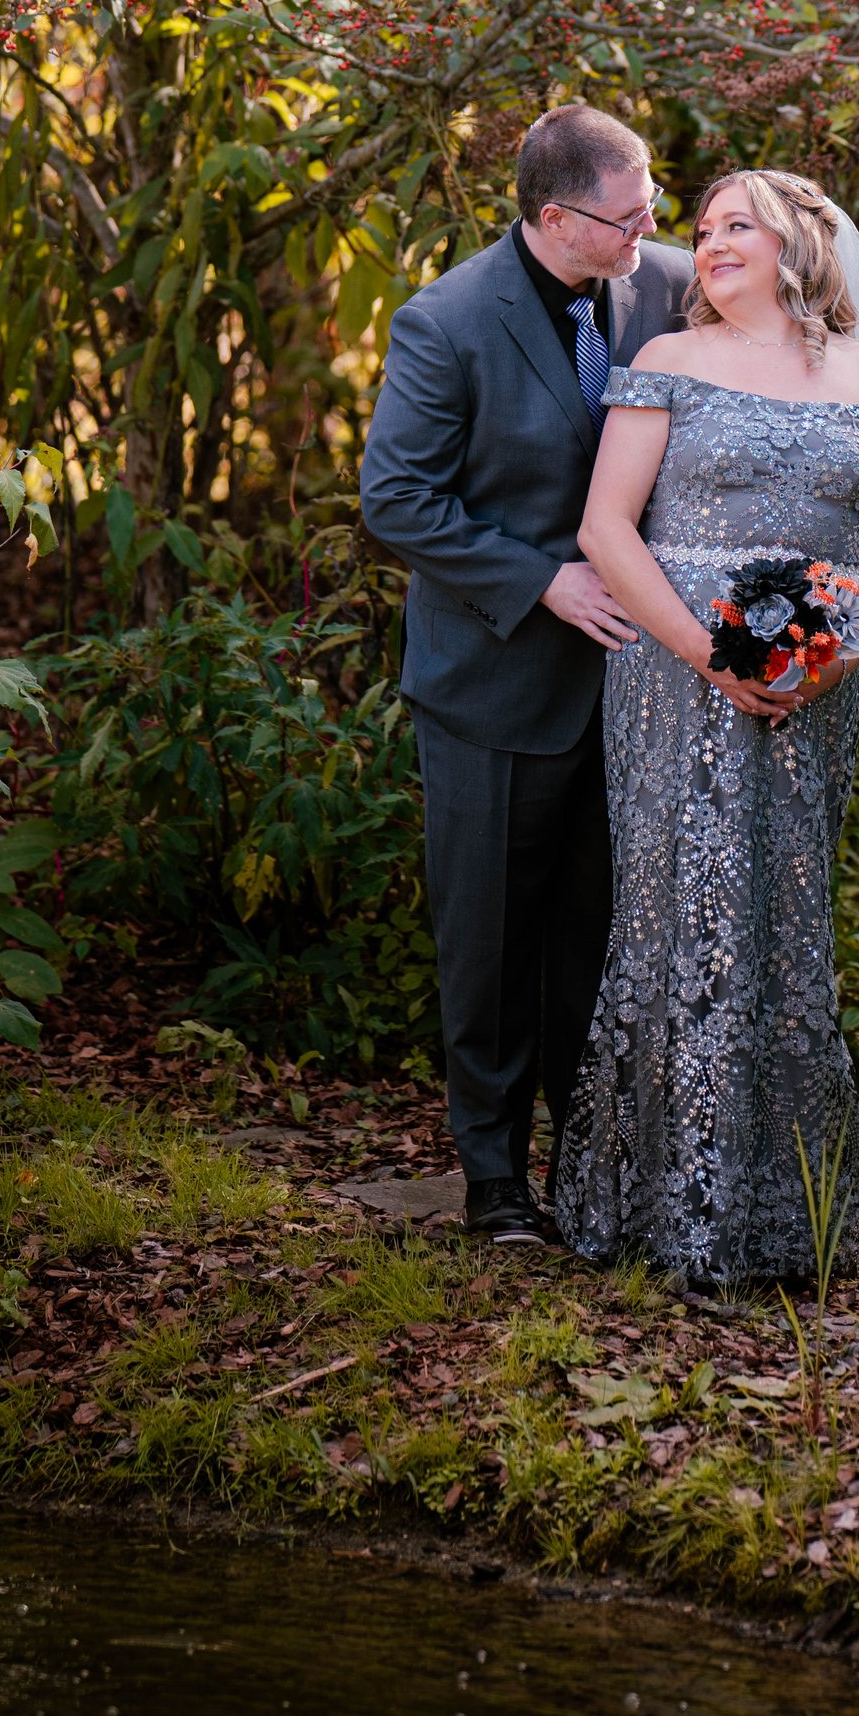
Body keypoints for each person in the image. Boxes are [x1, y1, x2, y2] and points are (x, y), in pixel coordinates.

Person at [554, 166, 859, 1292]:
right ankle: (666, 1202)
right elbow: (607, 528)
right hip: (673, 676)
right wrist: (707, 652)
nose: (707, 246)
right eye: (702, 229)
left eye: (734, 228)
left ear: (798, 244)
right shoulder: (667, 364)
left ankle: (783, 1200)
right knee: (684, 912)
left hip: (813, 687)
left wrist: (832, 654)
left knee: (782, 913)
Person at [359, 103, 693, 1244]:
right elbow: (396, 501)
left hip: (640, 688)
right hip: (493, 688)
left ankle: (594, 1171)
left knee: (596, 942)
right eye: (631, 210)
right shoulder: (445, 323)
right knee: (491, 941)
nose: (653, 223)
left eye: (654, 196)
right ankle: (494, 1181)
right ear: (556, 218)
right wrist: (540, 581)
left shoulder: (670, 288)